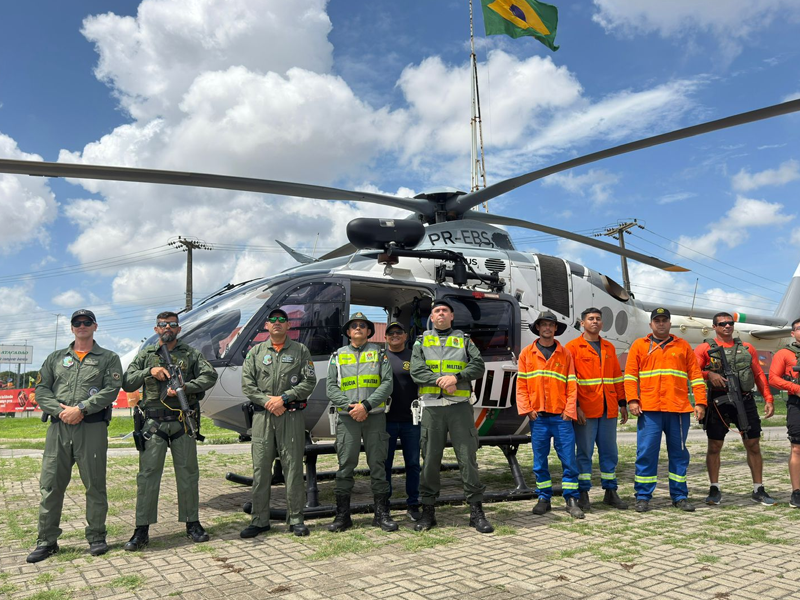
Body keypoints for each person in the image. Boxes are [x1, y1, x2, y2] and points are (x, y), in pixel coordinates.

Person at [27, 309, 122, 563]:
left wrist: (81, 408)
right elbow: (41, 389)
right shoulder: (56, 358)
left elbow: (111, 390)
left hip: (91, 427)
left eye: (87, 322)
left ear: (95, 326)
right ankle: (46, 541)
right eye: (77, 322)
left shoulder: (109, 358)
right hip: (59, 427)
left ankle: (97, 537)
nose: (82, 325)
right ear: (71, 328)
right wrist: (61, 411)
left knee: (95, 484)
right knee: (51, 485)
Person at [121, 311, 218, 551]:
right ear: (156, 329)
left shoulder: (191, 354)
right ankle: (141, 530)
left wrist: (186, 387)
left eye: (172, 324)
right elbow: (127, 381)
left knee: (188, 474)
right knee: (147, 476)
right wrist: (149, 371)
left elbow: (210, 375)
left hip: (182, 423)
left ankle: (192, 523)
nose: (167, 328)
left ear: (179, 329)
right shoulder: (146, 355)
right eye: (162, 324)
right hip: (153, 425)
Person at [410, 299, 493, 533]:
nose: (441, 314)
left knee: (468, 459)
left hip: (460, 409)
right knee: (430, 461)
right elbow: (416, 371)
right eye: (437, 311)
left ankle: (476, 512)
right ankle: (428, 512)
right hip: (432, 409)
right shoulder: (421, 341)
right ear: (432, 317)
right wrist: (442, 381)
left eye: (445, 311)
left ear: (452, 316)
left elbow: (478, 366)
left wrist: (456, 378)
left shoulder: (464, 340)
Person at [240, 308, 316, 538]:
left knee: (293, 467)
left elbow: (309, 381)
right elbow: (247, 385)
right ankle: (259, 520)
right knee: (261, 469)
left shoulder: (300, 350)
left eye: (282, 319)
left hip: (290, 416)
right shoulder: (255, 352)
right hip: (263, 417)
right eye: (272, 320)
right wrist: (268, 402)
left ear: (288, 325)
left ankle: (296, 519)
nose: (277, 322)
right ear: (266, 325)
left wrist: (284, 398)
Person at [624, 308, 707, 512]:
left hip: (677, 409)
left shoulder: (683, 346)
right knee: (646, 453)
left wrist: (700, 402)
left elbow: (696, 376)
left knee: (679, 454)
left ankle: (679, 496)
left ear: (670, 323)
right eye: (657, 320)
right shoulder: (639, 345)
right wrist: (632, 400)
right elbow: (630, 376)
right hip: (649, 409)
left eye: (664, 320)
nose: (661, 324)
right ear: (651, 324)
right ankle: (643, 496)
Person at [694, 312, 775, 506]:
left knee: (753, 444)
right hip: (718, 402)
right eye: (722, 324)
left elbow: (758, 374)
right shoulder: (704, 348)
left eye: (730, 323)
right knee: (714, 446)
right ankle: (714, 488)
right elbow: (693, 371)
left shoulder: (747, 348)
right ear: (714, 327)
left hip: (744, 400)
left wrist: (768, 398)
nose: (727, 326)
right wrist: (709, 375)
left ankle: (758, 489)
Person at [327, 312, 397, 532]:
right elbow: (331, 387)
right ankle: (343, 516)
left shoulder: (380, 354)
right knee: (345, 465)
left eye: (362, 325)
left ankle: (381, 514)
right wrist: (351, 407)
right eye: (354, 325)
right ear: (348, 332)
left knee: (378, 465)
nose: (358, 328)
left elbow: (387, 384)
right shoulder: (337, 356)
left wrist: (365, 406)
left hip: (374, 417)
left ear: (369, 331)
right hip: (348, 419)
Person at [518, 311, 583, 519]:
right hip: (538, 418)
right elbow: (521, 385)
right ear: (538, 327)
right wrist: (527, 409)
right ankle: (543, 498)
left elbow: (572, 385)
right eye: (543, 324)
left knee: (569, 460)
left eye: (551, 325)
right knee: (539, 461)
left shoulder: (565, 354)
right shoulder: (526, 354)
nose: (547, 328)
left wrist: (569, 410)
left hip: (561, 417)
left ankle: (571, 499)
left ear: (556, 328)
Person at [565, 307, 628, 511]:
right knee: (584, 452)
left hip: (608, 409)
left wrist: (622, 403)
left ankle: (610, 491)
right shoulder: (573, 348)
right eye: (590, 318)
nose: (595, 321)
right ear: (582, 323)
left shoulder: (609, 347)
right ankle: (583, 493)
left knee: (610, 452)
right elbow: (569, 380)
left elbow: (617, 377)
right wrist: (576, 407)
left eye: (598, 319)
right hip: (586, 409)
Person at [383, 321, 422, 521]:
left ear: (406, 336)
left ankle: (413, 504)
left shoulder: (415, 356)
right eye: (391, 333)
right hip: (386, 421)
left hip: (411, 421)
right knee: (385, 464)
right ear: (385, 337)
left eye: (399, 332)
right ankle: (384, 506)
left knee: (413, 464)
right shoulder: (379, 357)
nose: (395, 335)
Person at [768, 316, 800, 508]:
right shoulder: (785, 353)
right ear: (793, 333)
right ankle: (797, 492)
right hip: (797, 403)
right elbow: (773, 378)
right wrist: (796, 388)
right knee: (797, 448)